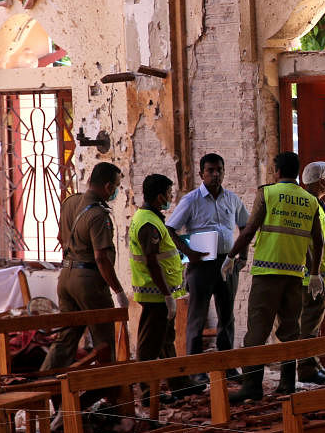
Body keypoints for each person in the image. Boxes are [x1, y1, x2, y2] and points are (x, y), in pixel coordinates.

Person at [222, 152, 323, 402]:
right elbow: (318, 241)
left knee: (257, 331)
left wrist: (231, 256)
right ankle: (288, 385)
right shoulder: (310, 200)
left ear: (277, 170)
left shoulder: (267, 193)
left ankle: (252, 385)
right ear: (297, 172)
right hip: (294, 275)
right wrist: (315, 273)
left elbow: (249, 231)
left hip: (267, 274)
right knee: (290, 331)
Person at [166, 154, 249, 372]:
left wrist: (243, 257)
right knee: (197, 316)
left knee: (227, 316)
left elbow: (246, 227)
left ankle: (226, 367)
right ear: (201, 173)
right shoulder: (191, 200)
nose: (215, 174)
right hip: (201, 264)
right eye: (210, 170)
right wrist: (188, 252)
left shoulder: (232, 199)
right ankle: (195, 370)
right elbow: (170, 229)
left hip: (227, 263)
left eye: (219, 170)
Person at [41, 162, 128, 371]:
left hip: (66, 276)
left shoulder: (70, 202)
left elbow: (61, 237)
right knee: (103, 339)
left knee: (67, 336)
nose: (115, 191)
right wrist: (118, 290)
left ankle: (44, 383)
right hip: (88, 281)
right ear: (108, 187)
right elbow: (101, 258)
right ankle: (110, 393)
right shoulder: (99, 215)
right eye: (115, 186)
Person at [129, 174, 206, 402]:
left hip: (163, 293)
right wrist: (166, 295)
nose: (171, 198)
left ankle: (179, 384)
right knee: (149, 346)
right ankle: (146, 394)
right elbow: (152, 262)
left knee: (165, 340)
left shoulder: (153, 218)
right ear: (160, 196)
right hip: (155, 295)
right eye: (170, 194)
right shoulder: (147, 223)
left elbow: (165, 255)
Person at [298, 161, 325, 385]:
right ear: (322, 181)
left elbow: (322, 240)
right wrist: (314, 274)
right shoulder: (311, 205)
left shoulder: (317, 204)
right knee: (309, 327)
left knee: (311, 325)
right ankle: (308, 370)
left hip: (319, 275)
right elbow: (311, 243)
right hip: (313, 277)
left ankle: (313, 366)